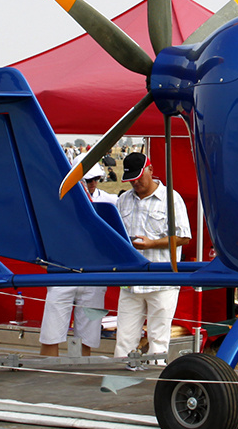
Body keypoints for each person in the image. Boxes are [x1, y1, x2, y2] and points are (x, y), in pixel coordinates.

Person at [114, 151, 191, 362]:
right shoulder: (123, 200)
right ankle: (119, 383)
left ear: (151, 170)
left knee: (158, 340)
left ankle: (154, 383)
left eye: (139, 177)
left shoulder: (172, 199)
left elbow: (184, 237)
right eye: (131, 180)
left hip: (162, 281)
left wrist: (152, 243)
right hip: (130, 282)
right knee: (124, 339)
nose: (135, 183)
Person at [39, 166, 118, 357]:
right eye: (88, 180)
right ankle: (46, 377)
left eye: (96, 179)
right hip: (62, 274)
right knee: (52, 333)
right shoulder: (55, 203)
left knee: (87, 336)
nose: (92, 184)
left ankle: (79, 375)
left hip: (93, 276)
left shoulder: (110, 201)